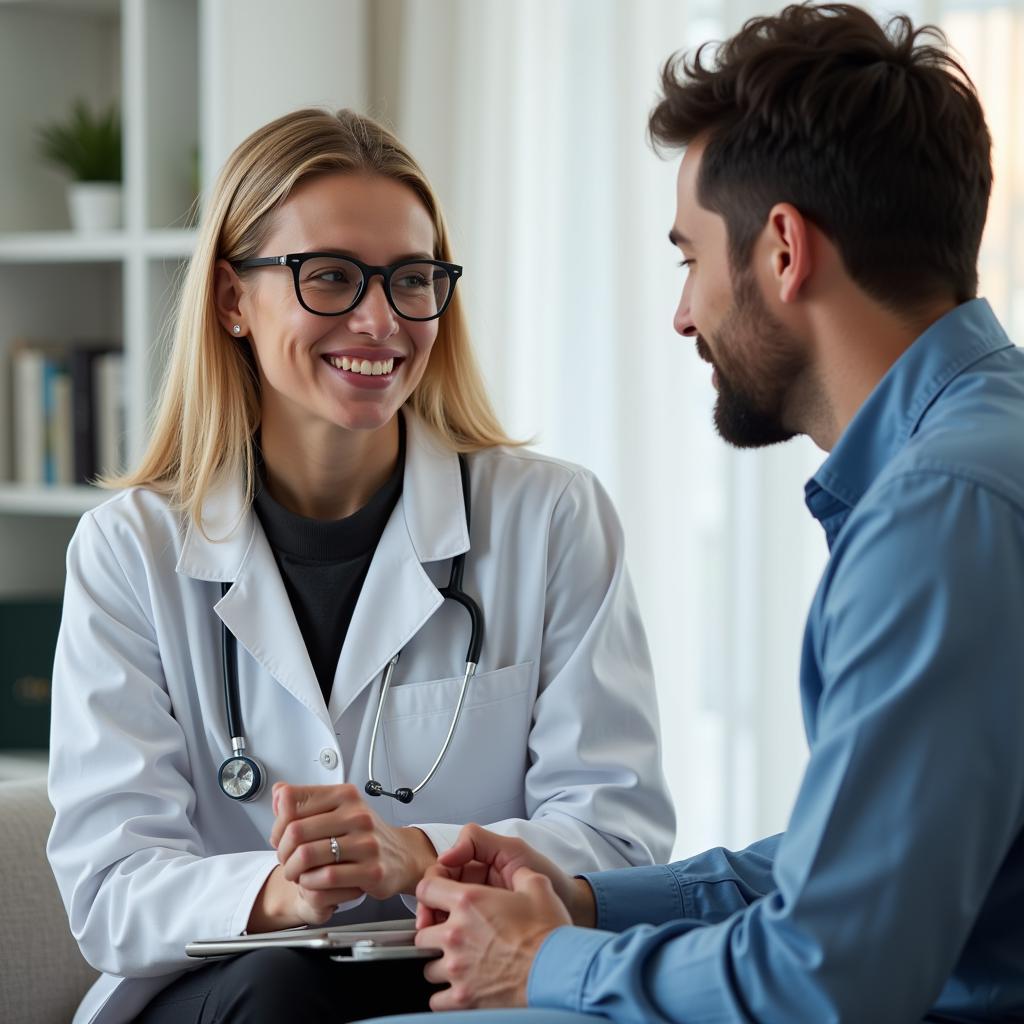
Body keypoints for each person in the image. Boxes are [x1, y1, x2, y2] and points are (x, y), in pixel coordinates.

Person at [367, 5, 1024, 1022]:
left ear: (781, 250)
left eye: (687, 257)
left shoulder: (938, 513)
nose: (681, 313)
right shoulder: (981, 450)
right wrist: (584, 900)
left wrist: (546, 962)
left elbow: (828, 973)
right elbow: (853, 870)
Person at [45, 108, 675, 1024]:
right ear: (231, 300)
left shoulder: (551, 518)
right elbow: (109, 889)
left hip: (469, 972)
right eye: (331, 277)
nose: (381, 321)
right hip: (230, 986)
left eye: (411, 280)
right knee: (285, 987)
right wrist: (282, 891)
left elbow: (620, 840)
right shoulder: (128, 549)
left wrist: (417, 852)